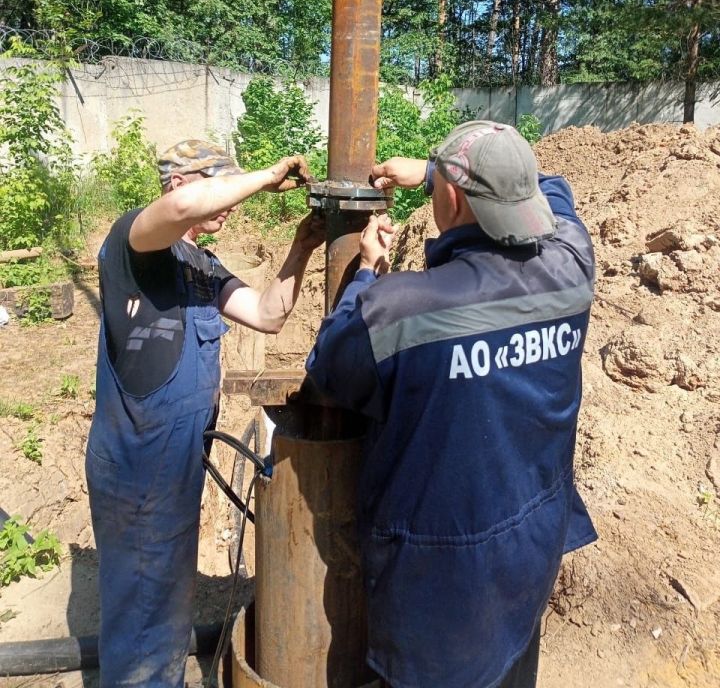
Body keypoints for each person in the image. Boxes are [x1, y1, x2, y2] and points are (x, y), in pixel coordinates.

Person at [306, 121, 597, 688]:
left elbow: (329, 370)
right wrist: (437, 172)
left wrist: (365, 272)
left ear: (453, 199)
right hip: (532, 548)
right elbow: (552, 188)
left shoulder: (401, 308)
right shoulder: (573, 263)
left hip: (439, 581)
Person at [86, 140, 323, 688]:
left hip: (176, 464)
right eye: (221, 187)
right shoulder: (135, 242)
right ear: (179, 183)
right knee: (139, 609)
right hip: (134, 464)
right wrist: (266, 175)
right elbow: (176, 212)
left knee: (165, 599)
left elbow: (267, 315)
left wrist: (301, 247)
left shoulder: (202, 266)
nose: (230, 204)